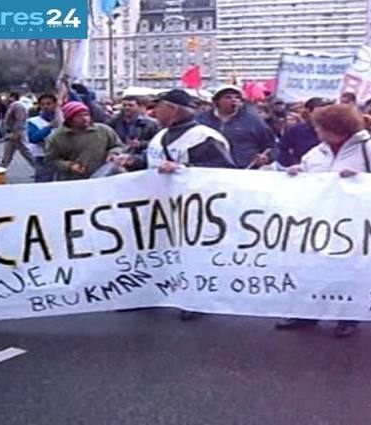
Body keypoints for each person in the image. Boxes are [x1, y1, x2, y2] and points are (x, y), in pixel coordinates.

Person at [279, 104, 371, 338]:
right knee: (312, 267)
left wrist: (362, 180)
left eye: (319, 127)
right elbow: (309, 175)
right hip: (320, 221)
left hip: (356, 222)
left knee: (349, 270)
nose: (315, 131)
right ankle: (307, 313)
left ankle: (348, 315)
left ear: (334, 128)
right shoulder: (316, 153)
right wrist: (298, 173)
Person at [137, 89, 234, 321]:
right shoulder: (161, 135)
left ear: (173, 109)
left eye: (158, 106)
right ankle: (149, 293)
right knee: (156, 251)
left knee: (192, 254)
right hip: (159, 204)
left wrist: (182, 171)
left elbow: (223, 172)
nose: (153, 111)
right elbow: (153, 162)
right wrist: (133, 161)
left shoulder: (203, 137)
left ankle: (197, 299)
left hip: (194, 209)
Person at [197, 85, 275, 169]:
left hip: (244, 170)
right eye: (228, 97)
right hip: (209, 170)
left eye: (237, 98)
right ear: (216, 101)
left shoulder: (253, 121)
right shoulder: (201, 120)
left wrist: (268, 157)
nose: (234, 100)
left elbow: (272, 146)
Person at [45, 101, 123, 181]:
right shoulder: (57, 137)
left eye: (86, 115)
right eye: (79, 116)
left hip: (104, 177)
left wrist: (113, 153)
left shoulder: (103, 130)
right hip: (73, 180)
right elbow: (51, 160)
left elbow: (118, 145)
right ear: (69, 119)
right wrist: (69, 166)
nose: (84, 118)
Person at [275, 97, 328, 167]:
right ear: (308, 112)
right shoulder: (297, 130)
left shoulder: (334, 131)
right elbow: (281, 149)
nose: (322, 116)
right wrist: (293, 163)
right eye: (319, 113)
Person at [27, 93, 62, 183]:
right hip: (42, 158)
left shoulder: (63, 120)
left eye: (48, 104)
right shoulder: (33, 121)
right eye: (42, 104)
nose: (45, 106)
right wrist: (49, 127)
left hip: (61, 158)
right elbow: (33, 138)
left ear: (55, 104)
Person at [1, 92, 35, 169]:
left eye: (8, 97)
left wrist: (16, 132)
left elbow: (19, 119)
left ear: (12, 97)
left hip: (16, 132)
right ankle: (1, 170)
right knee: (7, 154)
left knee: (26, 152)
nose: (6, 99)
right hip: (13, 132)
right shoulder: (14, 105)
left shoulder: (17, 105)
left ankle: (39, 168)